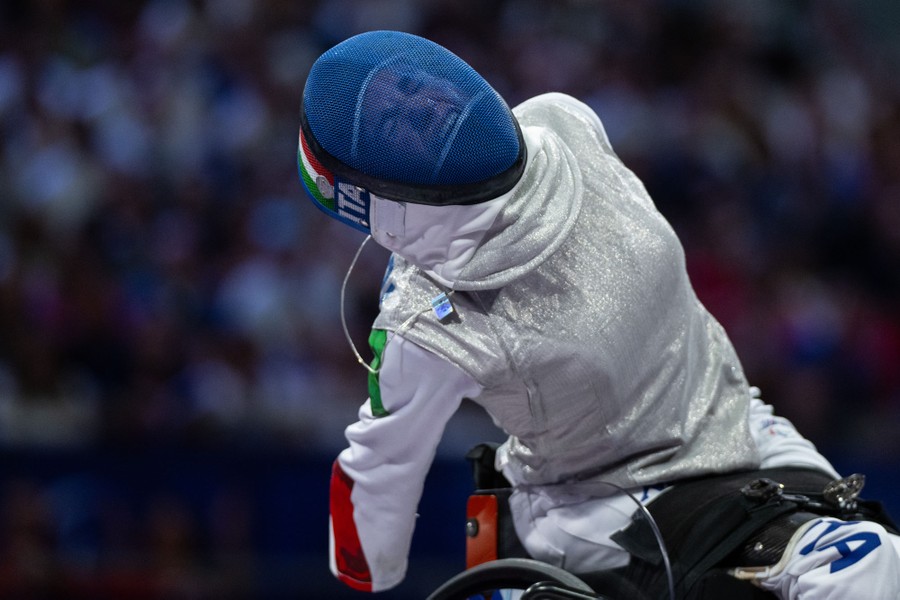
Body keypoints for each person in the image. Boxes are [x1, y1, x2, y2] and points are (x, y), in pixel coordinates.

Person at [296, 30, 900, 598]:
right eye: (395, 119)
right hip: (608, 503)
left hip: (742, 422)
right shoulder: (430, 329)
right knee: (862, 570)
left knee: (882, 563)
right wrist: (364, 573)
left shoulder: (560, 119)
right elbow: (377, 466)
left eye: (408, 86)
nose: (423, 103)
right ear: (374, 198)